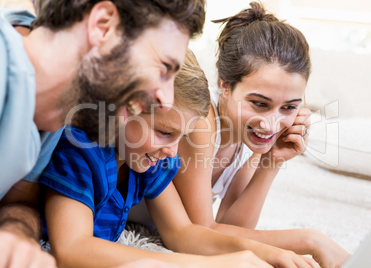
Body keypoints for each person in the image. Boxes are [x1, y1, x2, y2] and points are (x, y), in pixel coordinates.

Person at [39, 49, 317, 268]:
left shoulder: (146, 161)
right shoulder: (81, 151)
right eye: (164, 132)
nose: (173, 152)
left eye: (179, 137)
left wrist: (266, 254)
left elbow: (182, 232)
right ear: (123, 109)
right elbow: (73, 249)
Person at [0, 1, 205, 267]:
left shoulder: (54, 120)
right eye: (163, 68)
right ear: (103, 25)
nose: (166, 101)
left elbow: (17, 205)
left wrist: (18, 235)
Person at [172, 2, 351, 268]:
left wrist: (271, 162)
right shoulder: (201, 122)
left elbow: (232, 228)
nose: (271, 124)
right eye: (259, 103)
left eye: (289, 107)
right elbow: (203, 232)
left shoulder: (250, 136)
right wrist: (311, 240)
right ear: (225, 85)